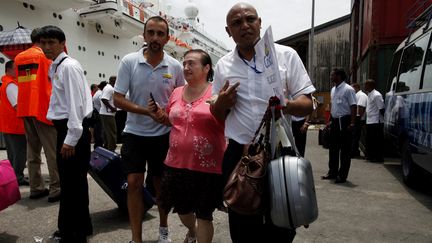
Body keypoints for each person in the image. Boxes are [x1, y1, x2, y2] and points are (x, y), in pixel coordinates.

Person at [210, 3, 315, 242]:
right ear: (228, 31)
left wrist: (285, 105)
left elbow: (308, 103)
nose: (245, 26)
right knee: (242, 224)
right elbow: (216, 114)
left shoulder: (286, 55)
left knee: (283, 224)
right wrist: (222, 103)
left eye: (250, 19)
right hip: (241, 154)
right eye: (237, 23)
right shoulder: (223, 65)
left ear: (260, 22)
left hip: (280, 151)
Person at [113, 16, 185, 243]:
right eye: (151, 33)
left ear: (167, 38)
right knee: (133, 183)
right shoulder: (129, 61)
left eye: (160, 34)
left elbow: (181, 100)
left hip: (163, 135)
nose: (155, 38)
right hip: (134, 132)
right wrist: (146, 111)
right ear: (144, 36)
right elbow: (117, 98)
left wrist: (167, 115)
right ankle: (136, 238)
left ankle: (163, 229)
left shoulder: (174, 66)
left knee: (160, 185)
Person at [149, 49, 225, 243]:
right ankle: (192, 231)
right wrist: (159, 115)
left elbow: (229, 121)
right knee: (182, 210)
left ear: (207, 68)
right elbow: (171, 120)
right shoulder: (176, 92)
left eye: (192, 63)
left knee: (204, 215)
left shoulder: (217, 92)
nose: (186, 67)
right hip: (175, 163)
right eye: (184, 63)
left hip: (208, 167)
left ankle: (198, 233)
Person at [39, 25, 93, 242]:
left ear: (62, 44)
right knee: (75, 183)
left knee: (71, 184)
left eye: (51, 42)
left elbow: (76, 106)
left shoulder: (68, 67)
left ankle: (72, 233)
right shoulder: (58, 66)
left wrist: (70, 139)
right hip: (69, 129)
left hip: (72, 131)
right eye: (43, 43)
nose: (46, 47)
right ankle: (79, 227)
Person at [14, 28, 60, 202]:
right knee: (51, 151)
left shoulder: (19, 58)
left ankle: (36, 187)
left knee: (32, 151)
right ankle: (56, 188)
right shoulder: (45, 58)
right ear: (42, 40)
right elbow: (51, 85)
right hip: (42, 109)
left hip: (25, 109)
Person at [322, 68, 357, 183]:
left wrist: (352, 123)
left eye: (332, 75)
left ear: (339, 76)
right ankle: (332, 172)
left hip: (345, 121)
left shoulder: (348, 89)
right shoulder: (333, 90)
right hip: (335, 121)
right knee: (333, 149)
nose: (331, 77)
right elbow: (333, 106)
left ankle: (342, 176)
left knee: (345, 150)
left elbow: (353, 106)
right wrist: (329, 120)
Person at [0, 60, 28, 186]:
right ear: (9, 70)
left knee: (13, 153)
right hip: (15, 126)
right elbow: (17, 106)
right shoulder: (11, 85)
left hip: (8, 125)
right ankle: (18, 177)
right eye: (16, 68)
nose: (18, 71)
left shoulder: (6, 83)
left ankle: (14, 176)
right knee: (20, 153)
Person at [364, 79, 385, 162]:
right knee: (370, 140)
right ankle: (371, 156)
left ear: (371, 86)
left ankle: (378, 157)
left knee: (376, 141)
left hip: (376, 121)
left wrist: (383, 120)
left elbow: (381, 108)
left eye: (366, 85)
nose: (365, 86)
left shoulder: (377, 95)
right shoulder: (369, 94)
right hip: (370, 120)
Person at [100, 75, 117, 151]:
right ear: (114, 81)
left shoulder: (108, 88)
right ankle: (111, 151)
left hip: (106, 114)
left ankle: (107, 149)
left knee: (107, 133)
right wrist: (112, 108)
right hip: (108, 114)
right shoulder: (109, 88)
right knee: (112, 134)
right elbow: (104, 99)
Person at [351, 82, 367, 158]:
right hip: (356, 117)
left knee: (356, 135)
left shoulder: (361, 95)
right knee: (354, 135)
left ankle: (354, 151)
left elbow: (361, 107)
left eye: (352, 88)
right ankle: (354, 150)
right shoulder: (356, 95)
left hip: (359, 118)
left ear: (356, 87)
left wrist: (358, 118)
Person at [92, 81, 107, 149]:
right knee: (100, 131)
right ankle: (99, 145)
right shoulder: (100, 94)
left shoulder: (96, 93)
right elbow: (102, 104)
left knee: (97, 131)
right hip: (99, 114)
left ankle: (97, 144)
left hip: (96, 113)